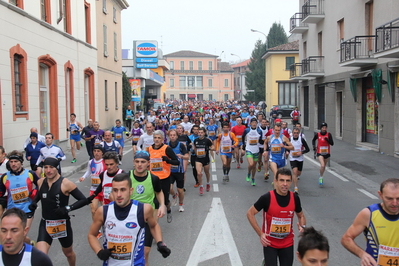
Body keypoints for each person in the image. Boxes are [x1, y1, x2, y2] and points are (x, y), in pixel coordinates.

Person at [88, 173, 171, 265]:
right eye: (115, 190)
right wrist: (99, 251)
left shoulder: (143, 209)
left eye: (123, 190)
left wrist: (160, 243)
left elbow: (154, 225)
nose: (119, 194)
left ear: (131, 191)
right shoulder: (103, 211)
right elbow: (92, 234)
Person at [28, 157, 89, 266]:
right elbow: (41, 193)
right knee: (41, 256)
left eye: (51, 167)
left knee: (69, 254)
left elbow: (83, 200)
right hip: (46, 223)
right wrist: (34, 202)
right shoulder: (41, 181)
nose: (48, 170)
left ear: (57, 168)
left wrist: (68, 208)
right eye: (45, 167)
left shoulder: (66, 183)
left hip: (62, 224)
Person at [247, 168, 306, 266]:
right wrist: (261, 234)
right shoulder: (267, 198)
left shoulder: (294, 198)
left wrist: (302, 226)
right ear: (276, 181)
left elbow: (301, 216)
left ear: (291, 182)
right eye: (282, 180)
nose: (285, 184)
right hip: (270, 243)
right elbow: (250, 213)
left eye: (287, 181)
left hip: (287, 243)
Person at [341, 178, 399, 266]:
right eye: (389, 198)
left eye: (398, 198)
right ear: (380, 195)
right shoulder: (369, 214)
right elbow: (346, 239)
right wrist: (362, 254)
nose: (395, 203)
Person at [129, 151, 166, 265]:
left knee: (145, 252)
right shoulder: (127, 177)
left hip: (146, 218)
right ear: (133, 162)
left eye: (143, 162)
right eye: (137, 162)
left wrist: (162, 205)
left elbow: (159, 192)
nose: (140, 164)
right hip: (129, 218)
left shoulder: (153, 178)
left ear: (148, 163)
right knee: (129, 253)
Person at [0, 151, 39, 245]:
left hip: (27, 209)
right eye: (11, 162)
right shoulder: (5, 177)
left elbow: (40, 185)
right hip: (12, 209)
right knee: (14, 235)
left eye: (16, 161)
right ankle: (30, 244)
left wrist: (35, 194)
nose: (13, 164)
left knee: (21, 235)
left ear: (21, 162)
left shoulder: (30, 174)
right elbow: (1, 193)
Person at [149, 130, 179, 222]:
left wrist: (167, 160)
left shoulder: (167, 148)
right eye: (155, 137)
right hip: (153, 177)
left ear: (162, 139)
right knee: (153, 199)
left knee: (165, 200)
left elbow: (177, 162)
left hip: (164, 178)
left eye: (159, 138)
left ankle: (168, 210)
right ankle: (154, 220)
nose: (157, 140)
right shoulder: (150, 148)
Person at [79, 145, 106, 217]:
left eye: (98, 151)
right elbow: (89, 171)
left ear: (102, 153)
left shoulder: (105, 162)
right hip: (93, 189)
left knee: (105, 211)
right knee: (93, 210)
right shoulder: (91, 162)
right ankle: (96, 227)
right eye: (95, 151)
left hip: (103, 190)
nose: (96, 153)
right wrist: (83, 177)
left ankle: (105, 226)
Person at [168, 129, 189, 212]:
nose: (172, 137)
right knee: (169, 188)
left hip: (179, 171)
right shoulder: (166, 146)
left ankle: (181, 204)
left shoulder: (181, 145)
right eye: (171, 135)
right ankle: (174, 195)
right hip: (169, 171)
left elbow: (187, 156)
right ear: (169, 136)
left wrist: (182, 156)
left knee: (180, 190)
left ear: (177, 136)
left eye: (174, 135)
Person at [242, 118, 264, 186]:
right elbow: (243, 137)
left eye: (255, 122)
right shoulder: (247, 130)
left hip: (256, 150)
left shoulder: (259, 131)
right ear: (250, 123)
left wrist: (265, 141)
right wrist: (243, 147)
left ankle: (253, 178)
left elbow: (260, 140)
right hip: (249, 149)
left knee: (254, 166)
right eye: (253, 122)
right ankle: (248, 173)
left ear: (257, 124)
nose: (254, 124)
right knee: (251, 164)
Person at [193, 128, 214, 195]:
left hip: (205, 159)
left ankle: (208, 183)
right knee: (199, 173)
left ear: (204, 133)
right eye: (199, 132)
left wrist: (209, 148)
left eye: (201, 132)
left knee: (206, 172)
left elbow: (213, 147)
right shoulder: (196, 140)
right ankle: (201, 186)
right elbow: (195, 148)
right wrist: (196, 152)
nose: (200, 134)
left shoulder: (207, 140)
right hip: (198, 159)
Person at [289, 127, 310, 194]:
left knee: (298, 173)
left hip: (300, 158)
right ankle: (296, 188)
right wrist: (286, 152)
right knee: (294, 171)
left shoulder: (302, 139)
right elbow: (286, 147)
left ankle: (295, 179)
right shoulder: (290, 139)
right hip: (292, 157)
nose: (295, 134)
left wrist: (301, 152)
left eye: (297, 133)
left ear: (299, 133)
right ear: (292, 133)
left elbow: (308, 149)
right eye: (294, 133)